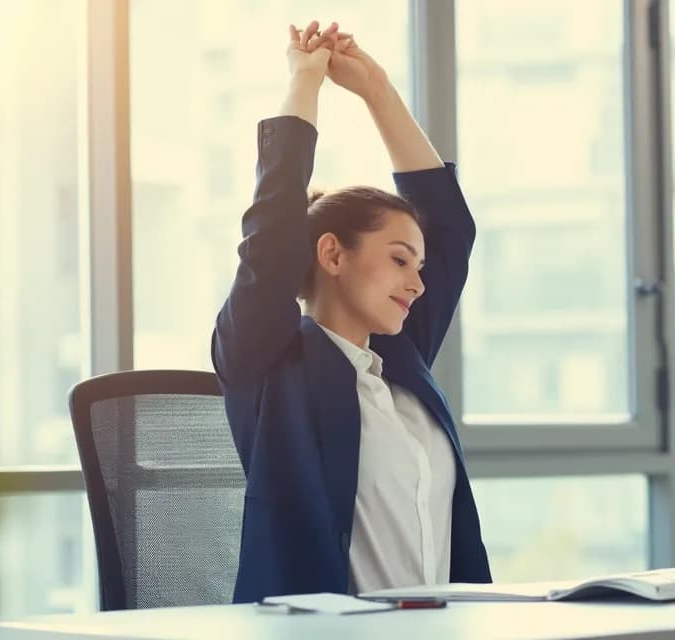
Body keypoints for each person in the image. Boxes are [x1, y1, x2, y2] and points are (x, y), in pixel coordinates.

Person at [211, 20, 492, 603]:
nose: (417, 283)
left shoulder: (401, 364)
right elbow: (272, 233)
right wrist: (305, 82)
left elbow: (451, 232)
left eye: (418, 265)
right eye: (398, 260)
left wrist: (376, 90)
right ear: (332, 254)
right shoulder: (268, 361)